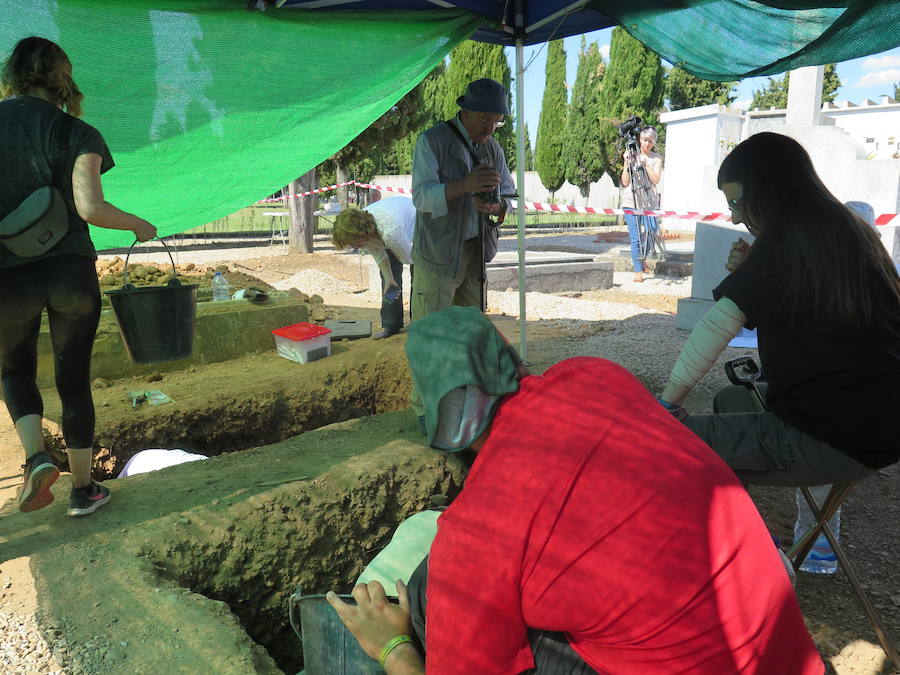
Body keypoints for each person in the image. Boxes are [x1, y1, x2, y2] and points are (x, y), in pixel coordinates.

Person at [327, 306, 824, 675]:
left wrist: (394, 649)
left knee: (430, 591)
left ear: (435, 419)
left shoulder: (477, 529)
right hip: (783, 653)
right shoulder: (594, 374)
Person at [658, 132, 900, 486]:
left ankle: (729, 538)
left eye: (738, 204)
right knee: (731, 399)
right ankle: (744, 523)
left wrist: (663, 406)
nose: (737, 218)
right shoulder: (848, 228)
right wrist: (749, 271)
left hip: (833, 435)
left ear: (769, 192)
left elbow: (715, 329)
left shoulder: (784, 240)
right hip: (880, 424)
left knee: (662, 442)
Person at [1, 37, 157, 517]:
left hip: (8, 274)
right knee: (73, 378)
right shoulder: (77, 132)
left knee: (14, 368)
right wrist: (137, 224)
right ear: (62, 79)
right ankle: (83, 491)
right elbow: (89, 207)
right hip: (70, 269)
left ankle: (35, 459)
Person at [408, 78, 515, 426]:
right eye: (484, 119)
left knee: (469, 335)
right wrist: (464, 186)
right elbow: (422, 198)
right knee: (432, 334)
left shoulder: (494, 149)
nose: (490, 127)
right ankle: (427, 412)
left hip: (473, 252)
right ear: (464, 110)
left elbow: (508, 196)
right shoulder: (432, 141)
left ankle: (466, 407)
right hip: (437, 255)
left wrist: (498, 207)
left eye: (496, 120)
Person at [332, 196, 416, 339]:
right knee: (389, 282)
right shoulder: (364, 232)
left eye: (354, 242)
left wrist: (398, 255)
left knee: (420, 276)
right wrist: (390, 279)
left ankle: (419, 322)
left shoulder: (390, 231)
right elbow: (380, 256)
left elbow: (411, 260)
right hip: (388, 230)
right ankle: (391, 325)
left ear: (362, 233)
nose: (353, 246)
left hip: (414, 224)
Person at [619, 126, 663, 282]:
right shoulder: (632, 155)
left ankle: (642, 256)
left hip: (649, 202)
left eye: (651, 141)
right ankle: (638, 271)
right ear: (640, 140)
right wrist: (626, 164)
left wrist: (646, 165)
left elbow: (655, 180)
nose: (647, 144)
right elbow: (625, 182)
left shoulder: (656, 158)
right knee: (635, 238)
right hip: (631, 201)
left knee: (652, 231)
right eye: (645, 140)